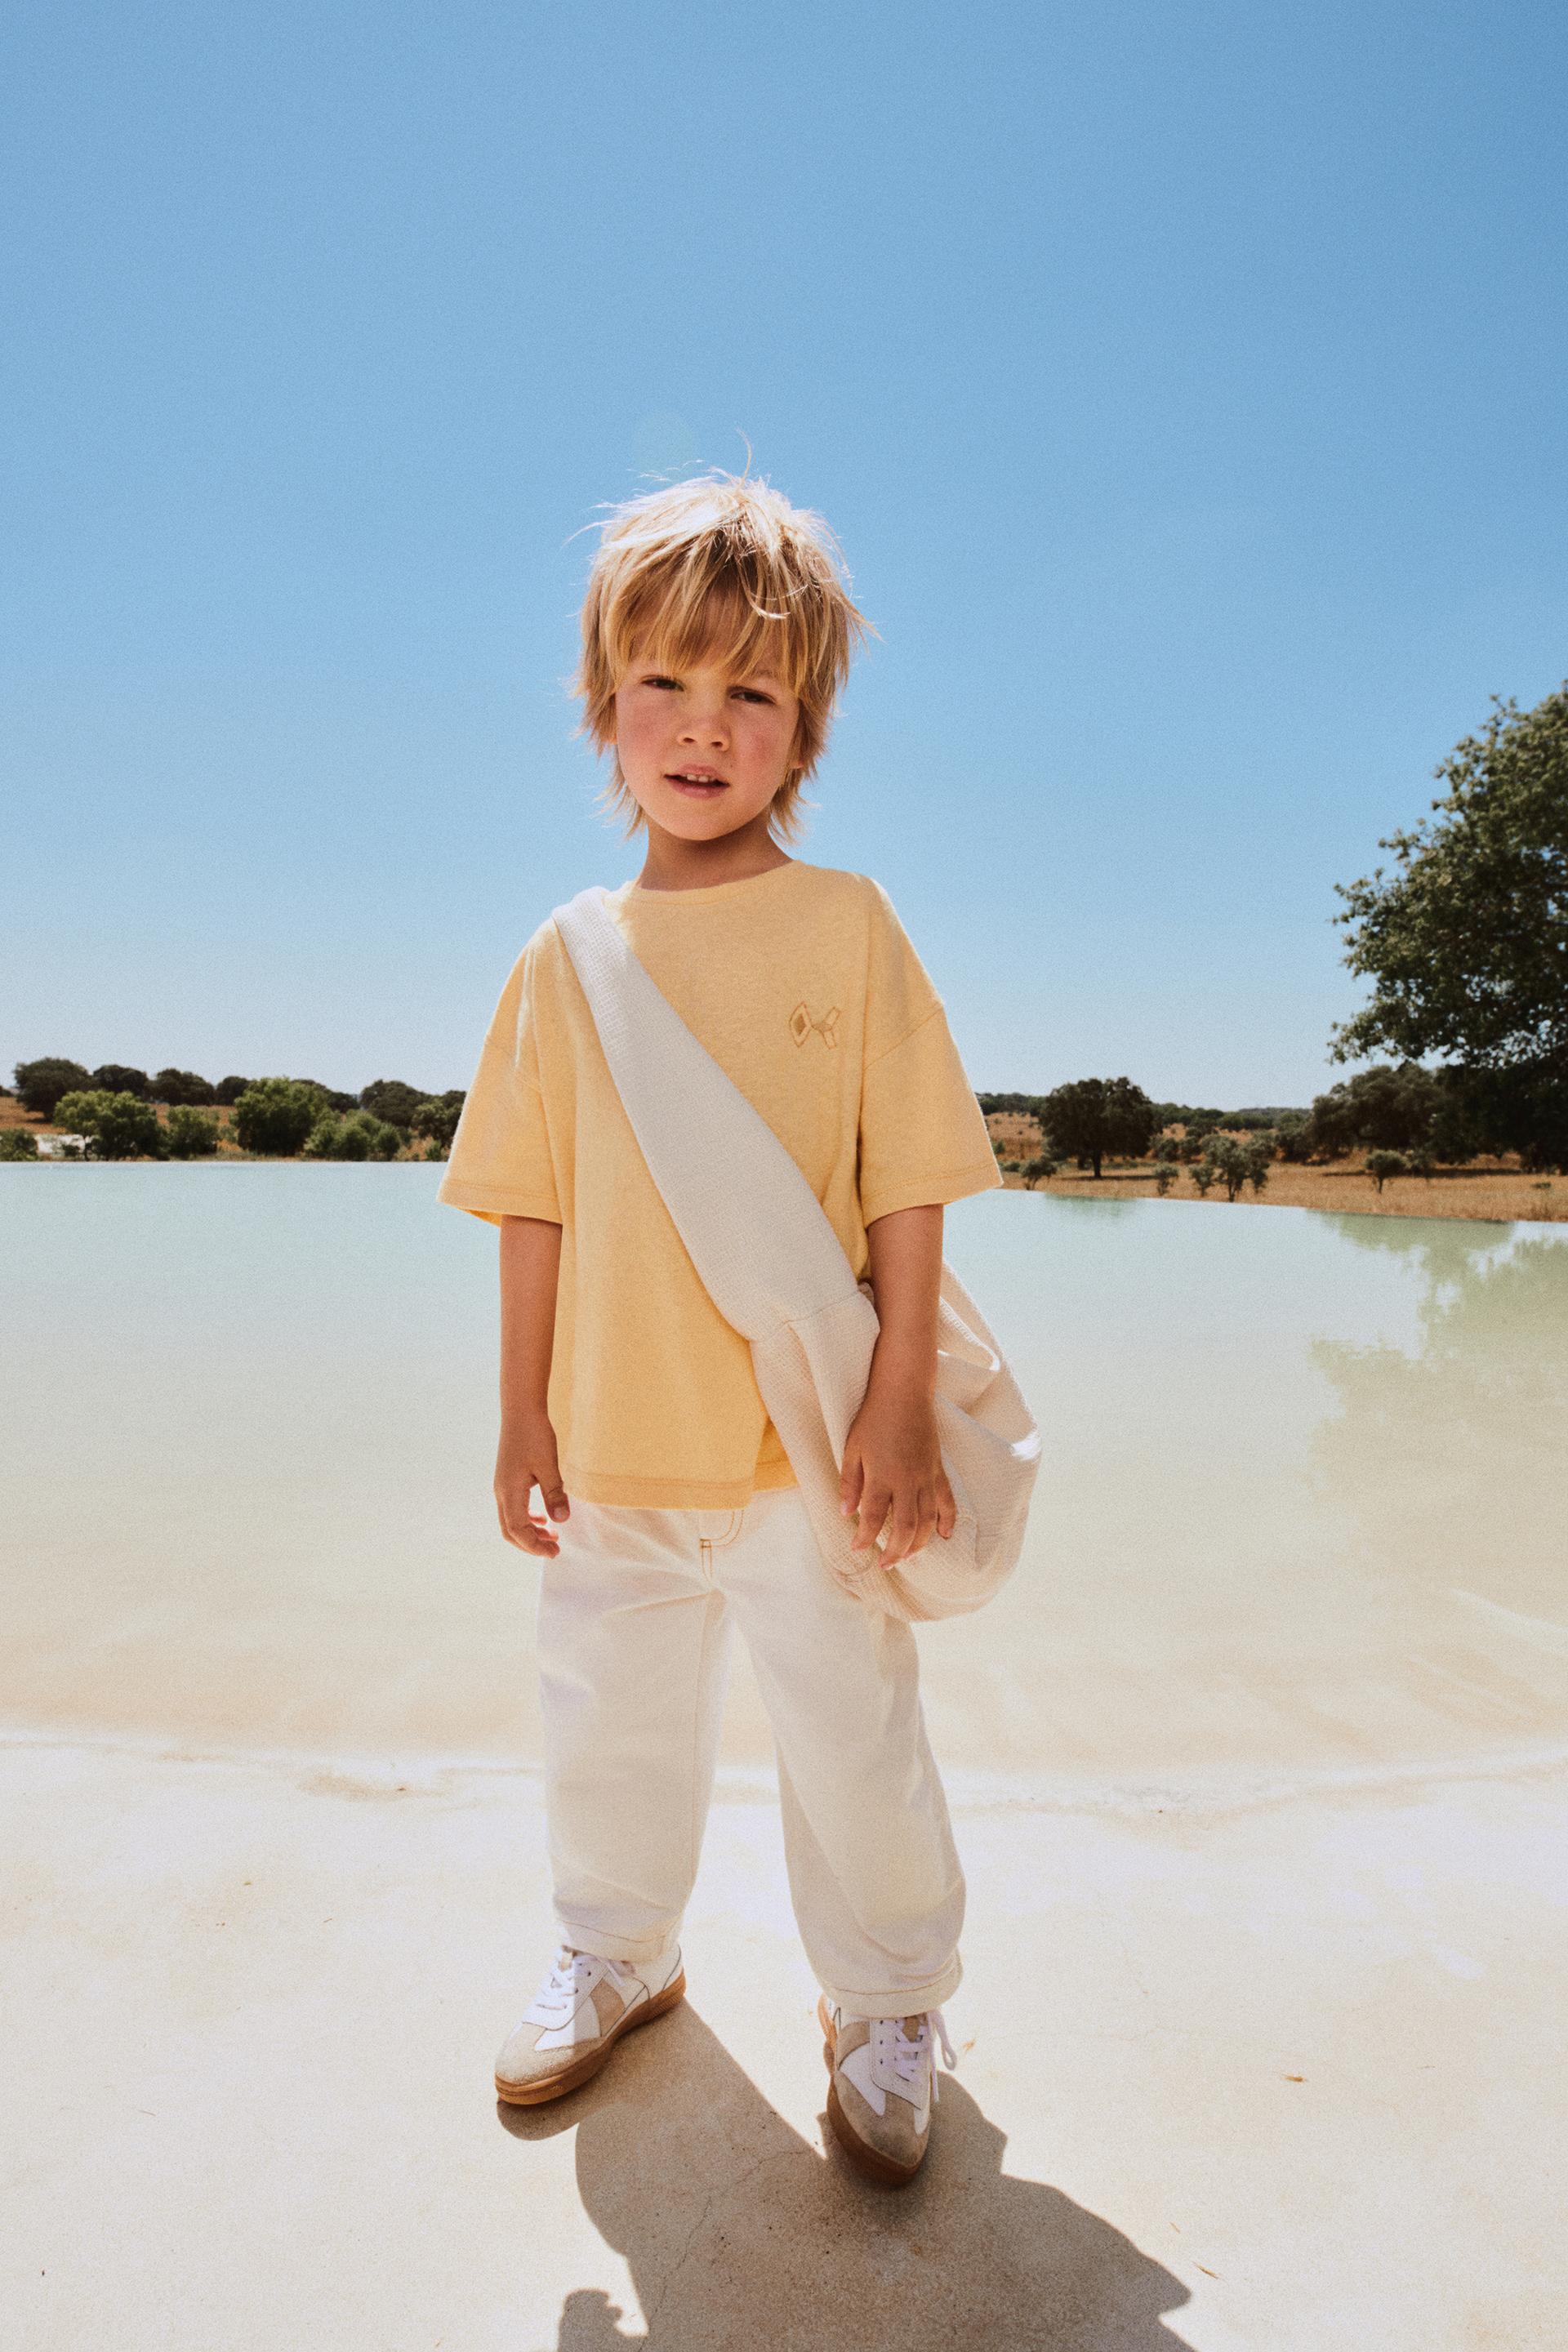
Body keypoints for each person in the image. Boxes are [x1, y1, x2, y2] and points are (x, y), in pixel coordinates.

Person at [439, 470, 1002, 2185]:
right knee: (605, 1719)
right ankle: (619, 1951)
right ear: (603, 710)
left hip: (804, 1443)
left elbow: (911, 1182)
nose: (703, 726)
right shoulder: (567, 956)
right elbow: (530, 1203)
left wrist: (898, 1404)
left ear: (804, 728)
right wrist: (521, 1414)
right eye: (663, 685)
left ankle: (887, 2002)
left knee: (855, 1739)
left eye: (751, 691)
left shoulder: (852, 924)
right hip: (615, 1440)